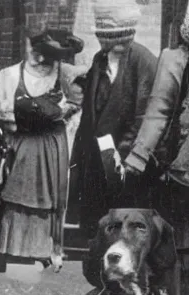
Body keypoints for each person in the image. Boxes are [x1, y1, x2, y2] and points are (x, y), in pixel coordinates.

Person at [123, 5, 189, 295]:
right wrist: (137, 157)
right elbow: (160, 110)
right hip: (183, 172)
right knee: (180, 263)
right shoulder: (175, 59)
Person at [0, 28, 83, 271]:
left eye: (49, 55)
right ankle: (16, 253)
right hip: (23, 142)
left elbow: (79, 98)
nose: (41, 59)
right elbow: (2, 112)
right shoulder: (10, 74)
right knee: (18, 194)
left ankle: (47, 251)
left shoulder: (65, 74)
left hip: (52, 143)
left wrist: (63, 111)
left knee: (51, 197)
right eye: (37, 52)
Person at [70, 0, 157, 239]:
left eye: (113, 40)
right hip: (96, 155)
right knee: (98, 223)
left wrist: (126, 152)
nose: (107, 45)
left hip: (125, 156)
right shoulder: (100, 59)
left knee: (124, 218)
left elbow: (144, 113)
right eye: (104, 39)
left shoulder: (143, 60)